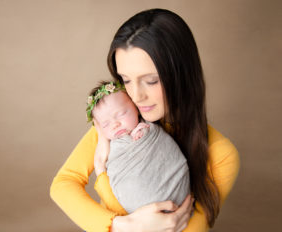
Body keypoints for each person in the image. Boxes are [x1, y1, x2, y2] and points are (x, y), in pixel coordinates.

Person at [50, 8, 240, 232]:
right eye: (126, 80)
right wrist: (120, 226)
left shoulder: (222, 155)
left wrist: (102, 176)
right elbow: (63, 185)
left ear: (182, 77)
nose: (136, 96)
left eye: (151, 81)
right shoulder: (118, 125)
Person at [87, 80, 190, 214]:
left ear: (136, 108)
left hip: (177, 198)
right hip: (129, 216)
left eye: (120, 114)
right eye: (106, 124)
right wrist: (101, 151)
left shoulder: (150, 128)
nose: (115, 124)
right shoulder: (108, 144)